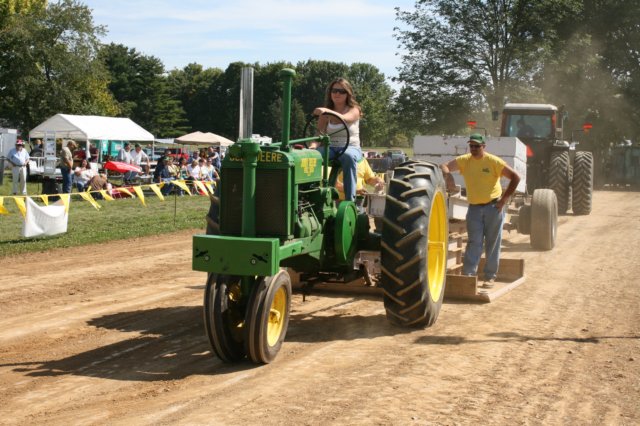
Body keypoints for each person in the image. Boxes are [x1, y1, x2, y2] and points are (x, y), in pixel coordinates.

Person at [439, 133, 521, 289]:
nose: (474, 149)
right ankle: (469, 275)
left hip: (493, 207)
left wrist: (504, 200)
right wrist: (448, 176)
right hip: (474, 208)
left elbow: (515, 177)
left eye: (477, 146)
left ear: (484, 147)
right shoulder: (465, 160)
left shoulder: (493, 161)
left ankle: (490, 277)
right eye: (471, 146)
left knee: (492, 243)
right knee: (474, 242)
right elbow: (444, 166)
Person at [309, 77, 363, 202]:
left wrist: (326, 111)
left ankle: (350, 200)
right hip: (330, 148)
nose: (337, 94)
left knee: (348, 157)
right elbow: (319, 135)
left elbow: (344, 119)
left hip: (351, 147)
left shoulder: (355, 110)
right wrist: (312, 147)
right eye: (334, 90)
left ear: (347, 94)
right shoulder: (325, 113)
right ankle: (312, 196)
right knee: (310, 157)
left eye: (341, 91)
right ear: (330, 93)